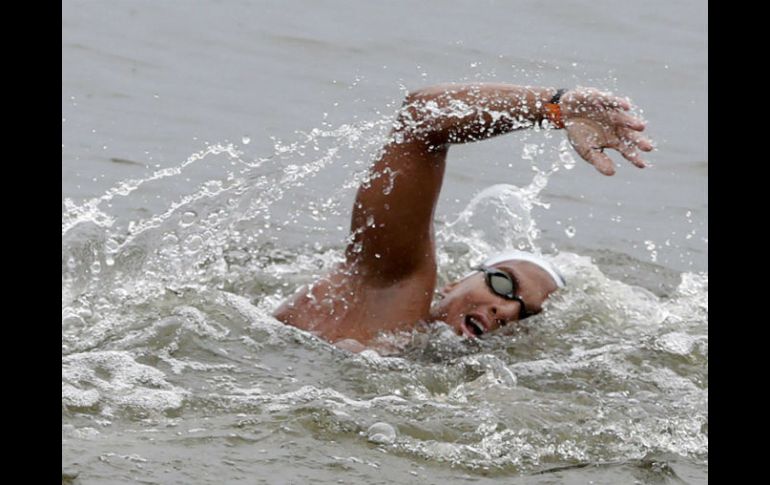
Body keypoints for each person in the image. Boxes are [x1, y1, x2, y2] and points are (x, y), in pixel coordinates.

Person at [274, 83, 653, 350]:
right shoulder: (389, 286)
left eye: (526, 315)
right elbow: (420, 118)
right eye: (504, 286)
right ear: (452, 283)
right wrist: (553, 107)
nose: (505, 310)